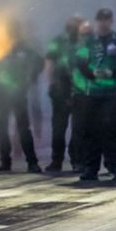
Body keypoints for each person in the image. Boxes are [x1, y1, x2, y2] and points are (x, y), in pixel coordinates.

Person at [75, 8, 116, 181]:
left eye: (106, 19)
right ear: (96, 21)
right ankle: (91, 169)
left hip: (111, 93)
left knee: (112, 131)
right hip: (92, 93)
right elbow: (80, 63)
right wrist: (92, 74)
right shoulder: (88, 41)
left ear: (111, 21)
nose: (103, 23)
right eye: (100, 20)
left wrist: (112, 73)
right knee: (91, 131)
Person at [0, 22, 43, 173]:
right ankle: (6, 162)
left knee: (22, 129)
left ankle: (31, 162)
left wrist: (30, 78)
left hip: (18, 94)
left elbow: (39, 63)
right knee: (2, 129)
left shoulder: (25, 50)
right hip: (0, 94)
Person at [44, 15, 83, 172]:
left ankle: (76, 159)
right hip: (61, 89)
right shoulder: (58, 42)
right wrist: (52, 84)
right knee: (59, 128)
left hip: (80, 89)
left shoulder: (86, 42)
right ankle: (57, 160)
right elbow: (49, 63)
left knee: (78, 128)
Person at [70, 20, 94, 174]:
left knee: (92, 130)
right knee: (79, 130)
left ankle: (89, 161)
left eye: (89, 34)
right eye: (84, 34)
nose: (86, 37)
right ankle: (78, 161)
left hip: (94, 95)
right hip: (80, 94)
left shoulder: (96, 51)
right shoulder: (77, 51)